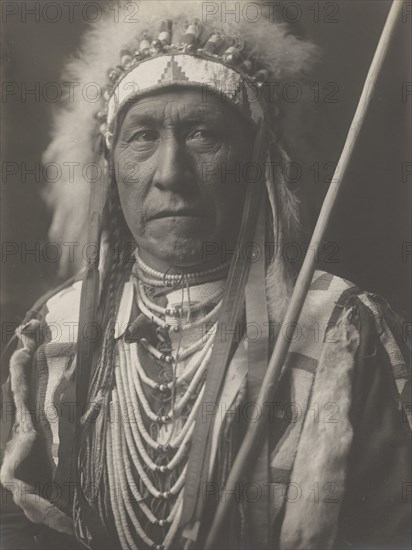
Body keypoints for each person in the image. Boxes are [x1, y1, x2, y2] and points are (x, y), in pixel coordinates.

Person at [1, 2, 410, 549]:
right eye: (143, 135)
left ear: (256, 161)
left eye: (202, 133)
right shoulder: (54, 336)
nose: (171, 174)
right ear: (112, 166)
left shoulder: (342, 332)